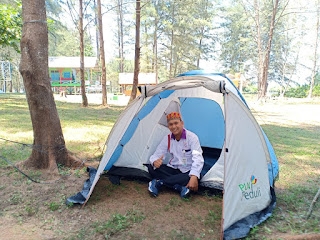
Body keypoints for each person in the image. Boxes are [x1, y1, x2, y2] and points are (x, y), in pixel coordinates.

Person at [147, 112, 204, 199]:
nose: (174, 127)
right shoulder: (168, 138)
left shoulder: (192, 138)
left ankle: (159, 183)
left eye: (176, 123)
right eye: (170, 124)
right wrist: (155, 161)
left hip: (187, 171)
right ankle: (179, 187)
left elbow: (198, 158)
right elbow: (157, 155)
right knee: (151, 168)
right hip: (173, 169)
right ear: (168, 126)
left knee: (196, 176)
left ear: (182, 123)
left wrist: (194, 176)